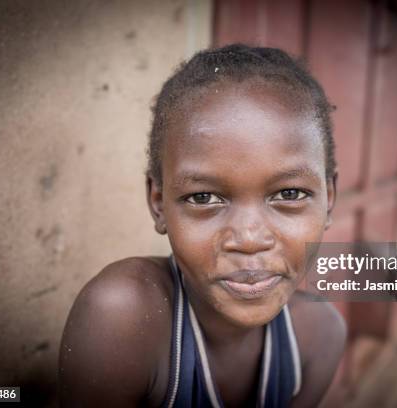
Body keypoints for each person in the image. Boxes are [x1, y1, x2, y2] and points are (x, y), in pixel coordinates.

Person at [58, 44, 347, 408]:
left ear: (329, 198)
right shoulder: (122, 317)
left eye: (289, 193)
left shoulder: (319, 336)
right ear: (158, 203)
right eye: (204, 198)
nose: (248, 239)